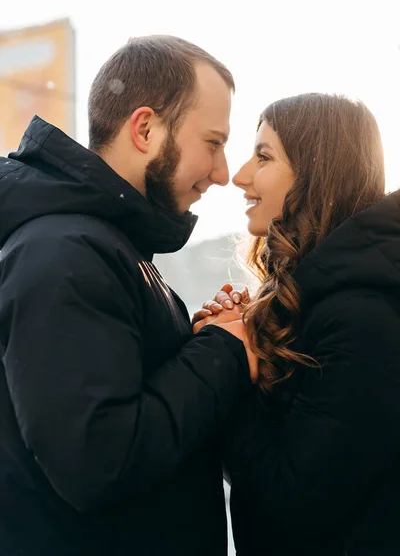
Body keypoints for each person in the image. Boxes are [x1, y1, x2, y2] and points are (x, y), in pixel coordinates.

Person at [0, 36, 257, 556]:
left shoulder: (106, 246)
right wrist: (225, 352)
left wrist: (204, 342)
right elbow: (98, 460)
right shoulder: (63, 254)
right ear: (145, 129)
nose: (223, 173)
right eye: (212, 142)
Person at [193, 93, 400, 555]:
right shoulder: (322, 302)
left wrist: (231, 371)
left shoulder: (363, 316)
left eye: (263, 156)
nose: (241, 177)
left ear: (317, 173)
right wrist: (237, 338)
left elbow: (293, 497)